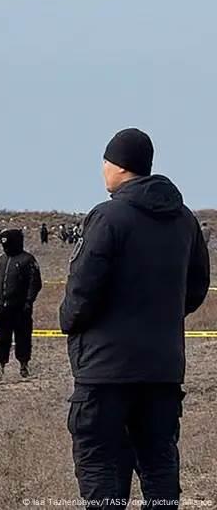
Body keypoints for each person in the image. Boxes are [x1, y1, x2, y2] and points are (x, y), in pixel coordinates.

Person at [60, 128, 209, 508]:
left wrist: (72, 323)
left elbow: (82, 289)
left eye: (105, 163)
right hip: (162, 370)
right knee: (160, 467)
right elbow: (195, 288)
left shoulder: (108, 217)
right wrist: (161, 317)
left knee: (101, 469)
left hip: (106, 373)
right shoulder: (185, 221)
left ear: (119, 166)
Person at [0, 229, 42, 379]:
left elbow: (35, 283)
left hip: (21, 308)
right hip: (3, 308)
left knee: (23, 337)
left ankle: (24, 365)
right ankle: (0, 366)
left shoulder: (28, 260)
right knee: (1, 338)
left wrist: (29, 301)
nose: (5, 247)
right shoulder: (1, 261)